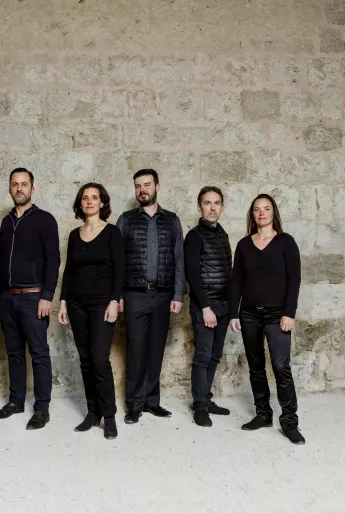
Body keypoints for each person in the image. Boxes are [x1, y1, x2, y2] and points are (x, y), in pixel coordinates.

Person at [229, 194, 305, 445]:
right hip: (249, 313)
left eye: (267, 209)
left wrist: (289, 313)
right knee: (256, 366)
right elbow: (237, 280)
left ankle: (289, 422)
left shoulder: (286, 242)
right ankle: (263, 414)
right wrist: (233, 313)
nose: (262, 213)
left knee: (281, 366)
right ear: (252, 215)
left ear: (274, 213)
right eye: (257, 209)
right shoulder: (243, 245)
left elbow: (294, 279)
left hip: (277, 314)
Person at [0, 168, 60, 430]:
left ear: (33, 188)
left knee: (39, 353)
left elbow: (54, 261)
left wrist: (47, 297)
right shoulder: (7, 222)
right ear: (9, 188)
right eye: (15, 184)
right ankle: (16, 401)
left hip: (34, 298)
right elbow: (0, 261)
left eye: (24, 184)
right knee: (14, 352)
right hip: (8, 299)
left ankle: (42, 408)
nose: (19, 188)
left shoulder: (45, 220)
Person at [116, 169, 185, 424]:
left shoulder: (173, 220)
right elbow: (118, 261)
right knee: (135, 350)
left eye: (146, 185)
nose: (142, 189)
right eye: (137, 186)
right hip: (134, 295)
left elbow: (179, 259)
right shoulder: (125, 220)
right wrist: (117, 296)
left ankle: (151, 402)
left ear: (157, 186)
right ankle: (134, 405)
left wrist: (178, 294)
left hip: (164, 295)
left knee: (156, 349)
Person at [58, 183, 124, 440]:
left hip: (101, 305)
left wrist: (114, 301)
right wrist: (63, 301)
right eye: (85, 198)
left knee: (99, 359)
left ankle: (109, 416)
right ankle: (92, 412)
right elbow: (69, 271)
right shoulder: (75, 235)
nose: (89, 202)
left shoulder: (112, 233)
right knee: (85, 360)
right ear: (80, 203)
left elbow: (119, 269)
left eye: (94, 198)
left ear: (102, 203)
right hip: (76, 305)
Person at [184, 186, 232, 428]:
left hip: (224, 305)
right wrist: (205, 308)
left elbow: (229, 273)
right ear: (199, 207)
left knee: (214, 355)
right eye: (207, 203)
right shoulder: (194, 236)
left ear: (222, 206)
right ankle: (200, 407)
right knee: (202, 356)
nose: (212, 207)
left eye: (216, 203)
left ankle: (206, 398)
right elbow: (192, 274)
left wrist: (232, 309)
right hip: (206, 306)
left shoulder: (222, 235)